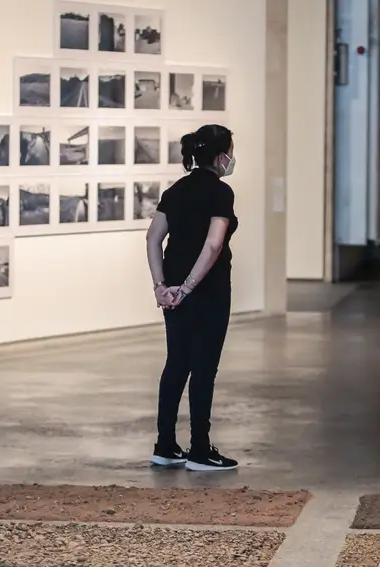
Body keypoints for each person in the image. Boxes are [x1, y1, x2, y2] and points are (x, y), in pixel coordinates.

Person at [144, 124, 239, 471]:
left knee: (176, 364)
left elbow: (153, 239)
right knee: (203, 369)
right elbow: (213, 244)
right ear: (220, 156)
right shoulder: (220, 193)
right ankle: (200, 449)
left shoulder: (175, 191)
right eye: (231, 150)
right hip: (207, 292)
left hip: (173, 293)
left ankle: (165, 445)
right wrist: (188, 287)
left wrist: (162, 287)